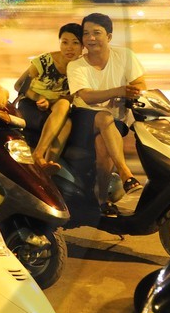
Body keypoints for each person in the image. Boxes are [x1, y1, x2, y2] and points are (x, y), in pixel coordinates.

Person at [67, 12, 147, 203]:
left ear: (109, 37)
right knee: (103, 117)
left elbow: (140, 85)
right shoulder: (76, 65)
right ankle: (125, 173)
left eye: (97, 33)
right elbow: (86, 96)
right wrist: (118, 91)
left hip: (115, 121)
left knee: (104, 150)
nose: (91, 38)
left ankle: (101, 199)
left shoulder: (125, 56)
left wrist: (131, 93)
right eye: (86, 34)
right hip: (84, 118)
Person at [14, 22, 85, 169]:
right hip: (31, 103)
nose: (69, 48)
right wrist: (39, 98)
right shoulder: (45, 61)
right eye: (65, 42)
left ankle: (46, 165)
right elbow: (19, 85)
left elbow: (76, 95)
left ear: (82, 46)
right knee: (65, 116)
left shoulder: (82, 67)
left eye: (75, 43)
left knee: (66, 115)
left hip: (56, 107)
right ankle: (39, 155)